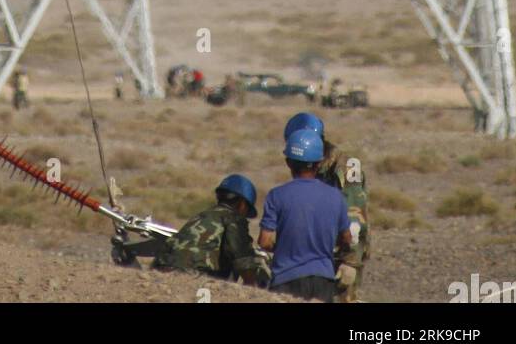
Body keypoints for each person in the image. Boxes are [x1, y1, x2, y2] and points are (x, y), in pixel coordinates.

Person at [113, 175, 269, 285]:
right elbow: (243, 260)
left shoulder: (201, 217)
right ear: (242, 204)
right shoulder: (233, 219)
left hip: (159, 274)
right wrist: (252, 289)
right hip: (193, 281)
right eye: (246, 211)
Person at [284, 111, 370, 302]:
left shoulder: (346, 168)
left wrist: (350, 262)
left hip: (342, 252)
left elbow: (355, 216)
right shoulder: (306, 165)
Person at [258, 128, 351, 302]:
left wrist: (285, 247)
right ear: (318, 163)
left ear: (288, 163)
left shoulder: (276, 196)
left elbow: (265, 241)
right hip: (323, 281)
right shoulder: (336, 196)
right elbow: (346, 238)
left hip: (285, 279)